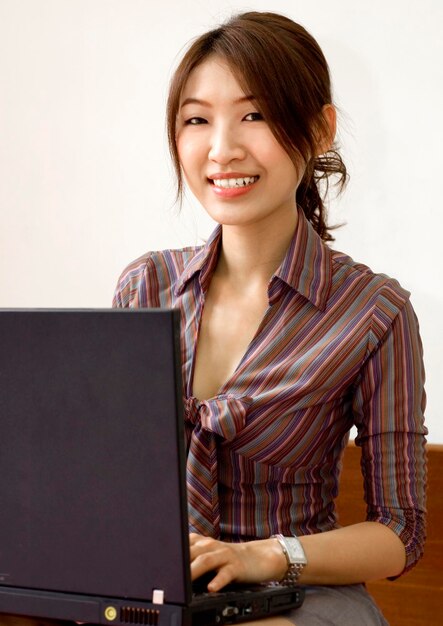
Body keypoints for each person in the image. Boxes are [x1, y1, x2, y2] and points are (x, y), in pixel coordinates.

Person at [0, 10, 426, 626]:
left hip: (298, 595)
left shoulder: (375, 311)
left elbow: (401, 532)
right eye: (197, 119)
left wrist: (265, 556)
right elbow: (108, 488)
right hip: (153, 597)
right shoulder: (146, 284)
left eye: (254, 115)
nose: (223, 149)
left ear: (319, 128)